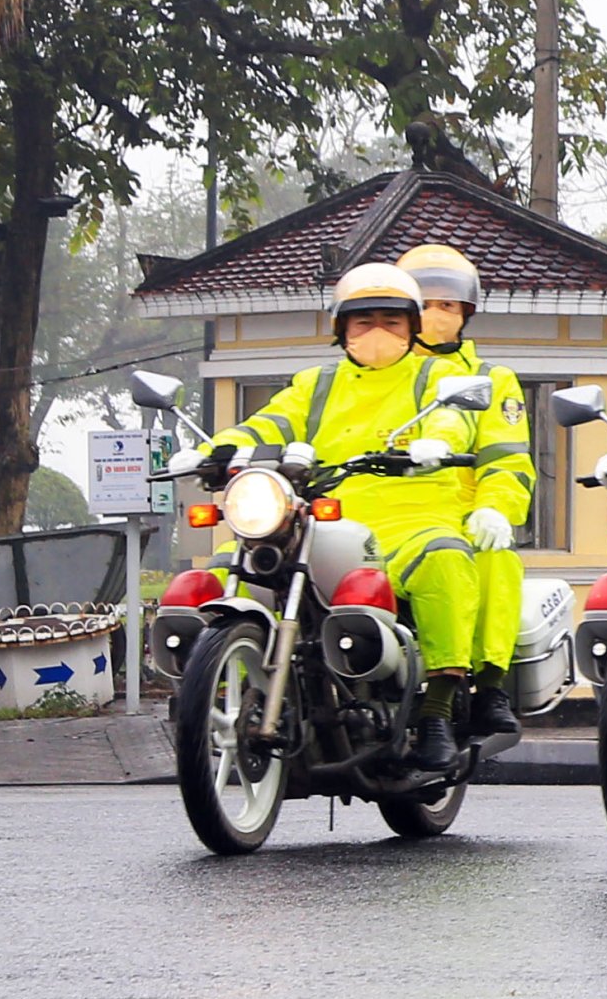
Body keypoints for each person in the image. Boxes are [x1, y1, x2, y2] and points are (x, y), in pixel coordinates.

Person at [200, 262, 529, 774]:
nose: (377, 331)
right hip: (320, 514)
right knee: (230, 563)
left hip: (416, 515)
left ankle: (439, 709)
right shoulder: (316, 382)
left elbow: (454, 419)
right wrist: (224, 446)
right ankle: (219, 686)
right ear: (341, 329)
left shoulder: (441, 376)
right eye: (362, 320)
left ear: (412, 327)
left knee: (446, 560)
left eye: (392, 321)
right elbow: (269, 421)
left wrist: (436, 442)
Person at [392, 243, 535, 742]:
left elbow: (508, 460)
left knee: (496, 558)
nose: (436, 315)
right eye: (425, 305)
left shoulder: (490, 380)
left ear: (466, 314)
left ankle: (487, 685)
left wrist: (494, 509)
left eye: (448, 306)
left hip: (457, 514)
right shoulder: (378, 373)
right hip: (373, 512)